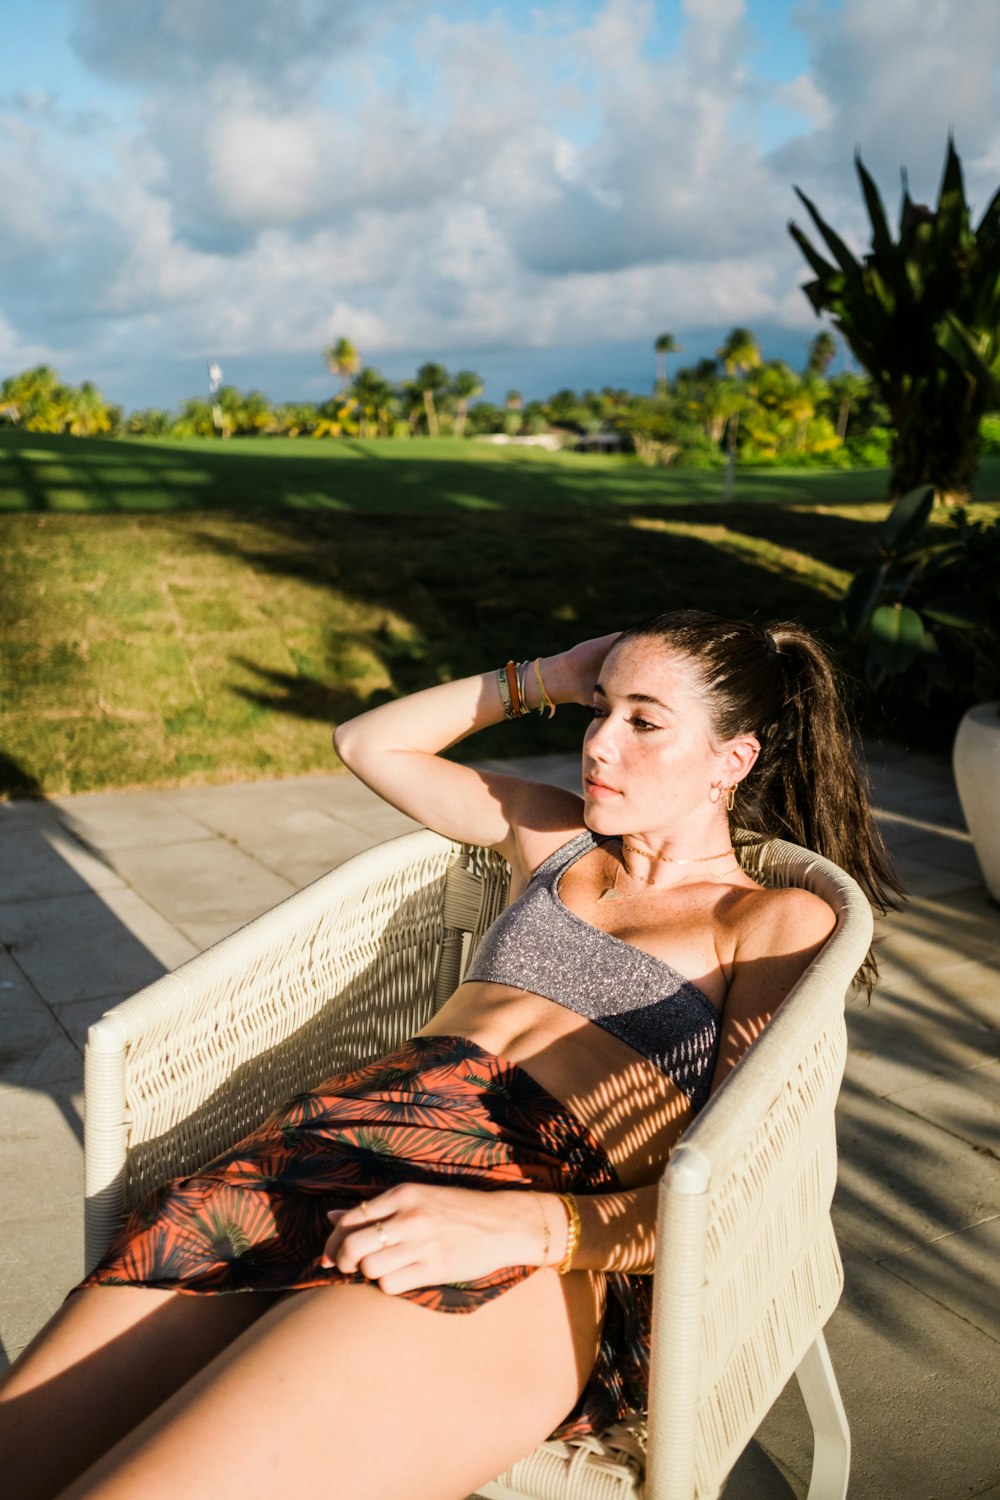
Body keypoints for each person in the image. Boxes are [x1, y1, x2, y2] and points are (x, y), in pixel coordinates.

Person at [0, 610, 898, 1500]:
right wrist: (546, 674)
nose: (599, 743)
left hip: (522, 1209)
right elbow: (367, 744)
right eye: (599, 708)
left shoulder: (769, 923)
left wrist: (527, 1228)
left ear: (731, 761)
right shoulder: (554, 836)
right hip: (322, 1153)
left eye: (644, 721)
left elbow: (733, 1188)